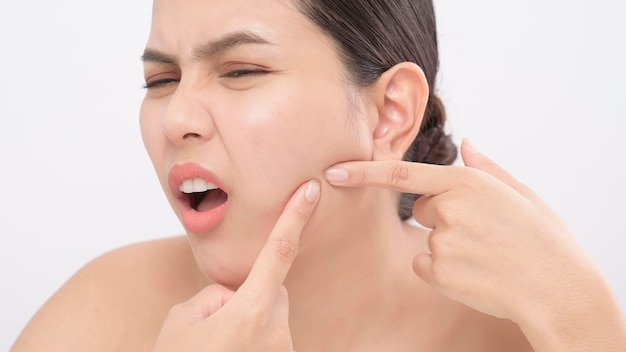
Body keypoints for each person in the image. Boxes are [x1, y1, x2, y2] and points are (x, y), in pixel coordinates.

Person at [11, 0, 626, 350]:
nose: (177, 118)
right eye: (160, 81)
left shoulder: (527, 332)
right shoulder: (102, 315)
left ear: (390, 112)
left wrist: (590, 321)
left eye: (241, 70)